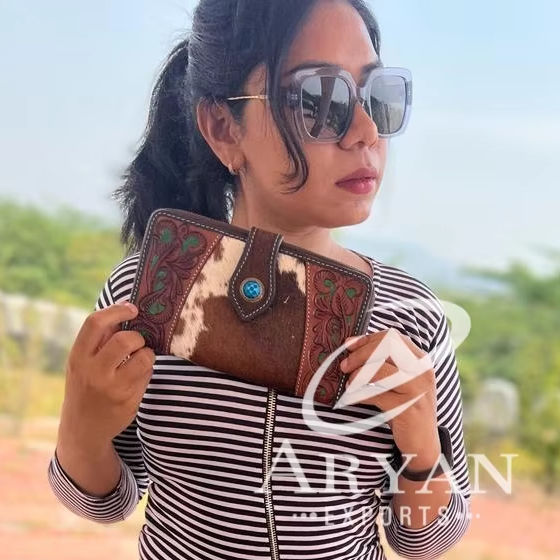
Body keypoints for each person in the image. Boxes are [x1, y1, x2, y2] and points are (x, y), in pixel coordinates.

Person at [47, 1, 472, 558]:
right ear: (224, 129)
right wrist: (80, 426)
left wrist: (422, 451)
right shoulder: (149, 296)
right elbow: (103, 504)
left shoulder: (411, 315)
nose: (366, 131)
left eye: (378, 96)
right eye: (320, 100)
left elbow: (429, 540)